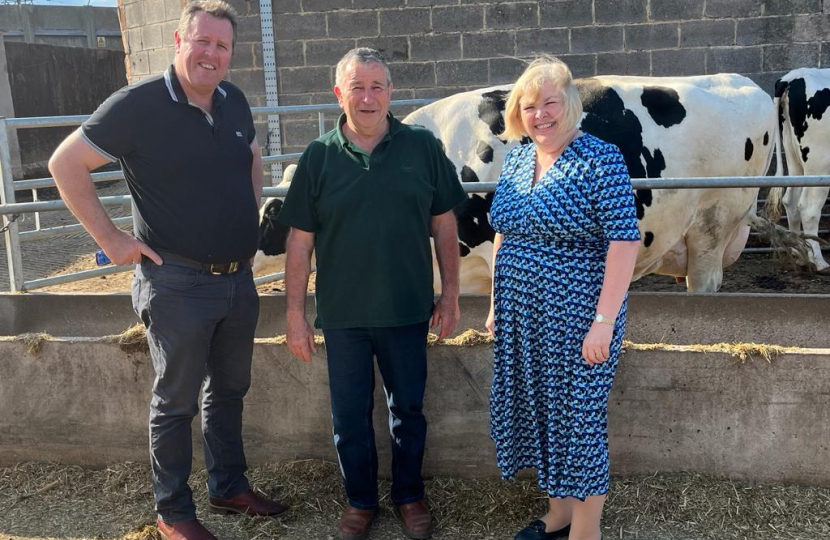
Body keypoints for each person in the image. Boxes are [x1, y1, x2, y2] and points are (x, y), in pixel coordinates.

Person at [47, 2, 287, 539]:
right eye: (202, 41)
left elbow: (250, 155)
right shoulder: (138, 105)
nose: (211, 54)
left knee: (229, 389)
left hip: (236, 278)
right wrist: (111, 240)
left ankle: (228, 486)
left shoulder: (233, 99)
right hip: (176, 281)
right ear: (179, 40)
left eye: (221, 46)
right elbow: (65, 164)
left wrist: (247, 224)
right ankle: (173, 512)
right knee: (175, 400)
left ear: (230, 54)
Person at [278, 47, 466, 540]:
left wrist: (450, 297)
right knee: (349, 417)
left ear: (391, 93)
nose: (367, 97)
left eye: (377, 86)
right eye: (356, 87)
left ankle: (409, 496)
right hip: (342, 316)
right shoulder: (317, 157)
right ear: (338, 94)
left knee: (408, 409)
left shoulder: (422, 147)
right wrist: (295, 316)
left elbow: (445, 224)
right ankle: (359, 502)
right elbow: (299, 242)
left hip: (407, 311)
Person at [484, 56, 641, 540]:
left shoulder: (600, 158)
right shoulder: (516, 158)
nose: (540, 114)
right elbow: (504, 234)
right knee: (541, 412)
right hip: (523, 316)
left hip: (579, 319)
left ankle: (586, 529)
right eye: (529, 105)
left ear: (569, 103)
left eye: (550, 102)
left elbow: (624, 241)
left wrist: (603, 322)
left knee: (580, 420)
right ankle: (560, 511)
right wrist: (495, 304)